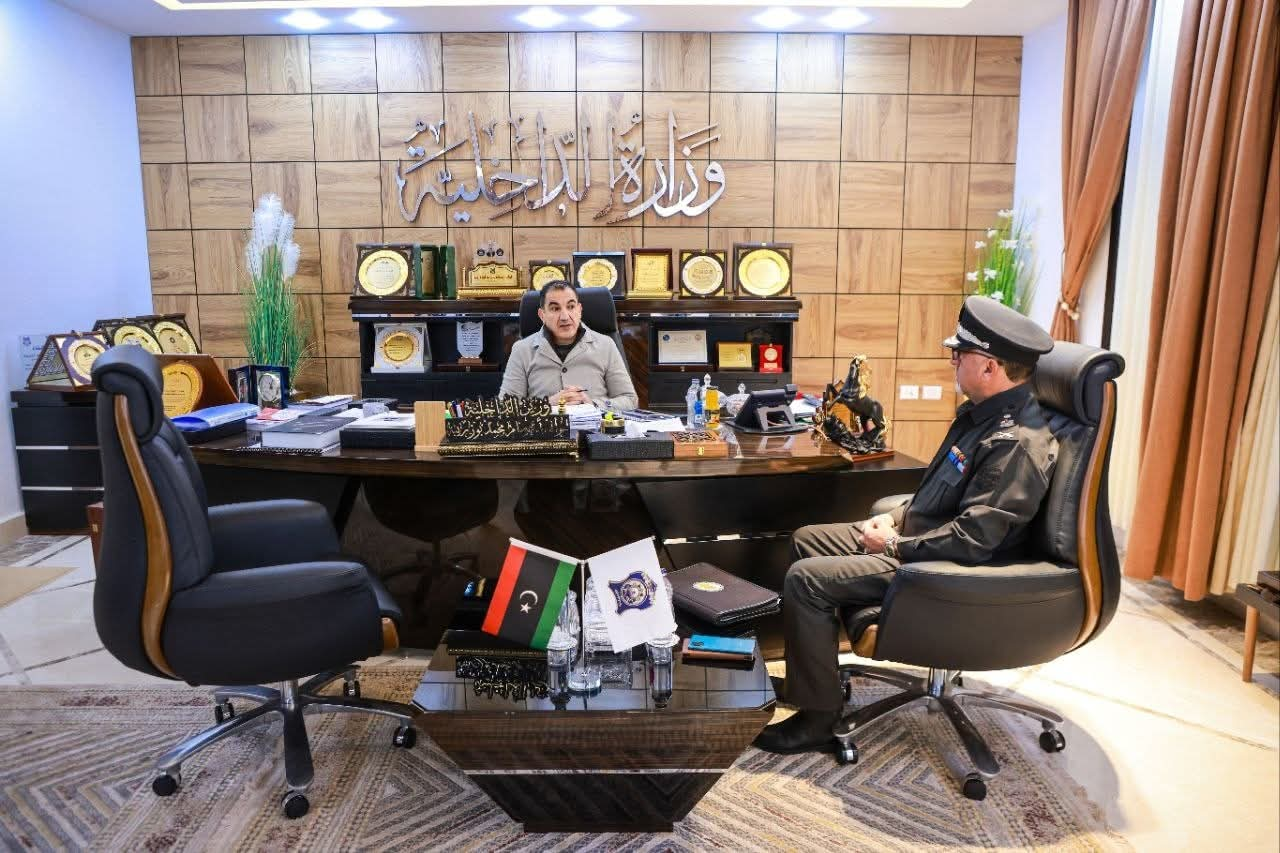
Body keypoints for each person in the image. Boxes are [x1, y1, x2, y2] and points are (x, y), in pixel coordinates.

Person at [754, 296, 1058, 754]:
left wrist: (894, 545)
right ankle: (815, 683)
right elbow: (938, 493)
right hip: (920, 538)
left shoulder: (1015, 443)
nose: (952, 360)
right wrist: (893, 517)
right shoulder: (979, 415)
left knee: (806, 580)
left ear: (989, 366)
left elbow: (974, 540)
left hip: (950, 569)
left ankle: (818, 721)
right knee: (807, 540)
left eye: (960, 354)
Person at [499, 281, 638, 410]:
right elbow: (505, 407)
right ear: (542, 315)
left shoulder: (606, 345)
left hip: (596, 427)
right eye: (555, 308)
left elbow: (630, 401)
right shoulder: (522, 350)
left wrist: (594, 404)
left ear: (579, 310)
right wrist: (547, 404)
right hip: (546, 427)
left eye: (571, 307)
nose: (565, 317)